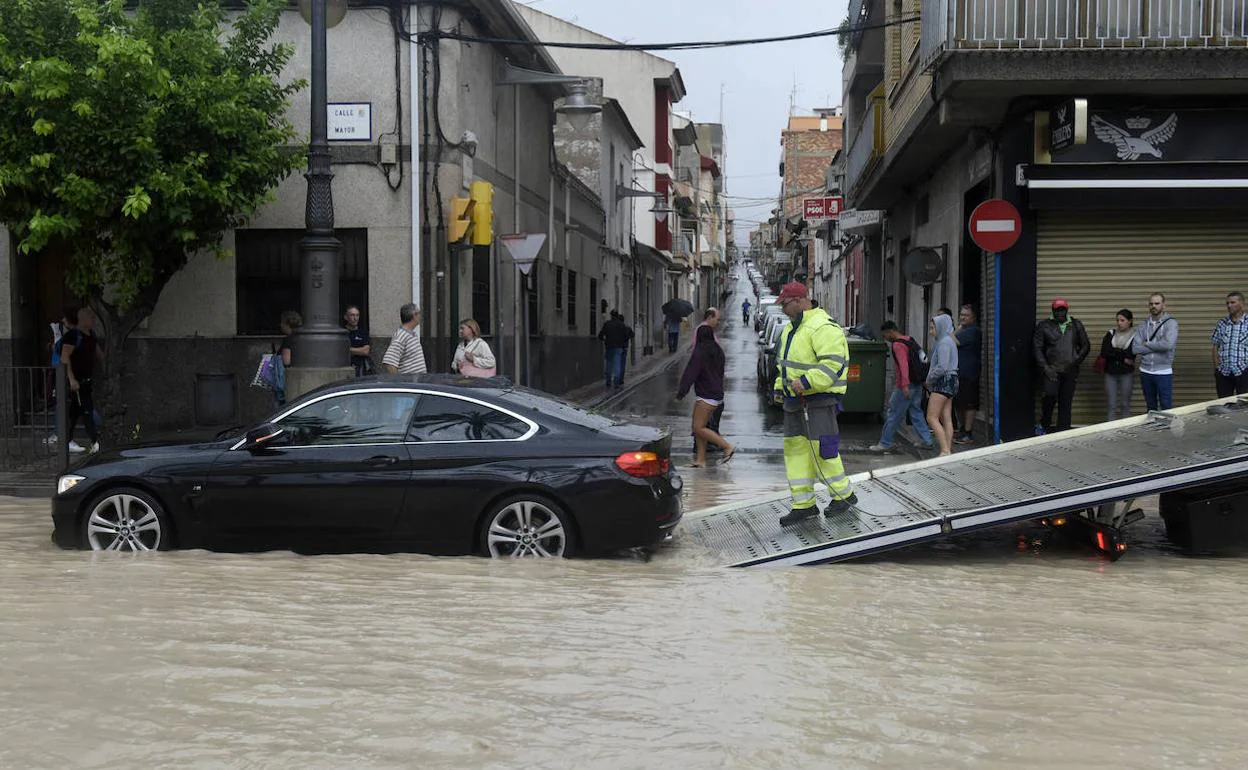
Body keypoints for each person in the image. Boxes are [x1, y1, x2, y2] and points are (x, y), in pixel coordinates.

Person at [771, 281, 857, 526]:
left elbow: (832, 365)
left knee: (823, 449)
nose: (783, 310)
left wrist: (807, 382)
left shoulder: (822, 326)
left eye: (785, 305)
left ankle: (844, 496)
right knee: (796, 452)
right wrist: (780, 388)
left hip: (818, 399)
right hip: (794, 401)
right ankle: (803, 504)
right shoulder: (791, 328)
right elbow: (784, 366)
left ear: (798, 301)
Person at [869, 321, 935, 453]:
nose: (885, 338)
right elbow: (922, 359)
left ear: (891, 331)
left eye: (885, 335)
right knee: (916, 412)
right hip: (916, 383)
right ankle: (927, 441)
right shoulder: (910, 340)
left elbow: (903, 366)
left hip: (906, 385)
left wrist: (904, 386)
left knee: (893, 413)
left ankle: (885, 443)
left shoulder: (898, 345)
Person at [676, 324, 735, 467]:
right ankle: (700, 460)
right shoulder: (718, 350)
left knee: (698, 428)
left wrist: (681, 392)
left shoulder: (700, 352)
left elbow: (691, 373)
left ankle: (727, 446)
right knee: (699, 426)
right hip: (715, 393)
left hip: (707, 395)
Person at [1033, 297, 1090, 434]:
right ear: (1053, 311)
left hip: (1070, 370)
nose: (1060, 313)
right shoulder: (1044, 326)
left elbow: (1086, 345)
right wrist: (1045, 368)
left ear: (1067, 310)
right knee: (1050, 396)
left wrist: (1076, 360)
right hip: (1052, 370)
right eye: (1057, 310)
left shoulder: (1076, 325)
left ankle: (1064, 430)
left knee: (1066, 401)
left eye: (1062, 310)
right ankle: (1045, 424)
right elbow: (1037, 348)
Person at [59, 307, 105, 454]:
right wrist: (71, 379)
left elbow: (99, 355)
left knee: (75, 412)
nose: (94, 320)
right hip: (77, 382)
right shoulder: (73, 335)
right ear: (84, 319)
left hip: (87, 380)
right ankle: (95, 441)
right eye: (91, 318)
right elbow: (65, 358)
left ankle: (66, 440)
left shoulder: (91, 335)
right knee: (87, 410)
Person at [1133, 292, 1178, 411]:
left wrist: (1146, 344)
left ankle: (1166, 429)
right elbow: (1135, 348)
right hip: (1145, 370)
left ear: (1163, 305)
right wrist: (1158, 345)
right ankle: (1153, 429)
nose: (1154, 306)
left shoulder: (1171, 323)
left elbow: (1168, 345)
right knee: (1150, 406)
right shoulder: (1143, 325)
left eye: (1157, 303)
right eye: (1151, 303)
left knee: (1166, 405)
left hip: (1163, 371)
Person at [926, 313, 959, 457]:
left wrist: (929, 379)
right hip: (951, 381)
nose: (931, 331)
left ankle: (945, 450)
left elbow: (942, 366)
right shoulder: (949, 341)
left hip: (943, 382)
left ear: (940, 327)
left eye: (933, 328)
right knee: (946, 417)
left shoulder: (943, 343)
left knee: (931, 417)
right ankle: (948, 449)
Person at [692, 308, 726, 449]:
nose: (718, 322)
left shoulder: (707, 331)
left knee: (711, 412)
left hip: (711, 379)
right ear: (710, 317)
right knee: (708, 415)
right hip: (708, 381)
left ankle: (707, 443)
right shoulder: (703, 331)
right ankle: (714, 443)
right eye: (717, 319)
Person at [1100, 309, 1136, 421]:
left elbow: (1131, 355)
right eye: (1117, 320)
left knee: (1125, 404)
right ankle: (1110, 433)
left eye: (1122, 320)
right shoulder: (1111, 333)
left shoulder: (1135, 335)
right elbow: (1104, 352)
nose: (1119, 323)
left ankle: (1126, 431)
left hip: (1126, 373)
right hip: (1110, 373)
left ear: (1129, 321)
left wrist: (1114, 352)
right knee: (1111, 405)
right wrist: (1122, 356)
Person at [953, 304, 982, 444]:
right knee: (960, 404)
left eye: (966, 315)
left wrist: (956, 330)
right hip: (960, 373)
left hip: (970, 373)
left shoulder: (973, 331)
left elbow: (951, 340)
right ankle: (963, 429)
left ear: (973, 317)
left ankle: (968, 433)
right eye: (961, 314)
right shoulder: (965, 330)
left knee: (969, 404)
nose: (963, 318)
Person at [1212, 291, 1248, 397]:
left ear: (1242, 304)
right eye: (1227, 303)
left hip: (1244, 371)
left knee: (1244, 406)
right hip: (1224, 372)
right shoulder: (1222, 323)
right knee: (1224, 404)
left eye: (1233, 302)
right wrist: (1217, 368)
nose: (1229, 306)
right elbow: (1215, 346)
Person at [382, 302, 428, 374]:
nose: (420, 316)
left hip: (416, 383)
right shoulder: (401, 336)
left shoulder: (411, 334)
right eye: (419, 313)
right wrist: (400, 382)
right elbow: (389, 362)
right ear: (414, 315)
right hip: (410, 384)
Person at [598, 310, 633, 389]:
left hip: (609, 346)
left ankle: (608, 381)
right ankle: (616, 382)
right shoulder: (622, 325)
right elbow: (626, 336)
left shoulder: (607, 324)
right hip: (618, 347)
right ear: (617, 316)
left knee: (609, 364)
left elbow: (600, 335)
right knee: (617, 365)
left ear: (611, 316)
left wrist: (605, 339)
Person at [272, 310, 301, 407]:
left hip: (286, 380)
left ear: (286, 323)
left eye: (282, 322)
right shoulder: (301, 337)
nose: (280, 325)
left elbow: (286, 360)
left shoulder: (288, 340)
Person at [344, 305, 374, 377]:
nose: (355, 318)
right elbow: (340, 351)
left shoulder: (363, 332)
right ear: (346, 317)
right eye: (352, 315)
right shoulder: (343, 333)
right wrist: (358, 351)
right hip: (346, 367)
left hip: (361, 368)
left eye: (357, 315)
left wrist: (348, 350)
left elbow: (365, 351)